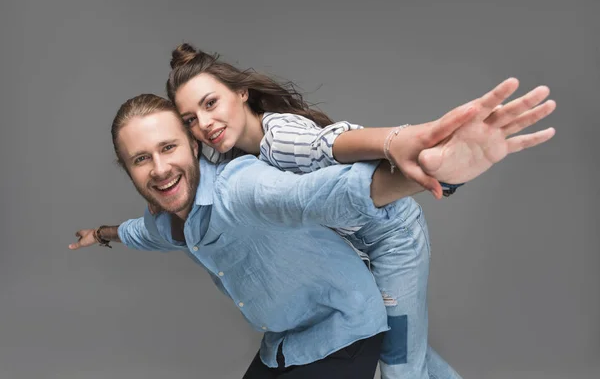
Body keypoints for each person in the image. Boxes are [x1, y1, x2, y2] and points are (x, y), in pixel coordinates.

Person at [69, 80, 554, 378]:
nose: (158, 168)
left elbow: (322, 192)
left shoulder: (242, 185)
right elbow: (146, 231)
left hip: (348, 325)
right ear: (127, 169)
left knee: (404, 366)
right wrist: (103, 233)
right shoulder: (176, 221)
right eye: (140, 159)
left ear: (193, 148)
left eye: (169, 148)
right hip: (290, 342)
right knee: (414, 359)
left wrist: (438, 172)